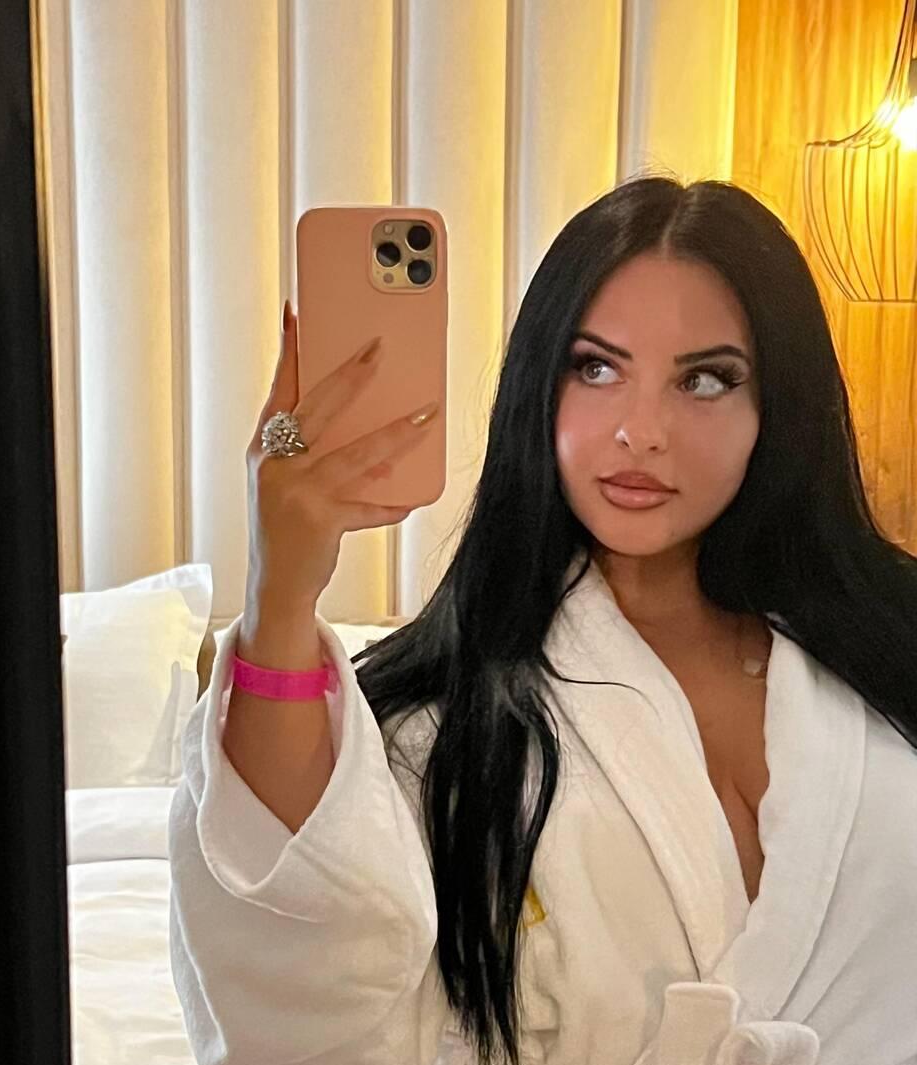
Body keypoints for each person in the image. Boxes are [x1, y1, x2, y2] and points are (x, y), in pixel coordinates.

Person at [166, 176, 917, 1065]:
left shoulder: (885, 647)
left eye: (705, 379)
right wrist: (281, 592)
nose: (641, 430)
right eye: (595, 367)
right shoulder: (435, 731)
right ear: (539, 386)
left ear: (776, 407)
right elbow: (303, 961)